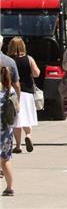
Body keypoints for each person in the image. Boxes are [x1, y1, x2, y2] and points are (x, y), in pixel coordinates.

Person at [6, 38, 38, 153]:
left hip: (14, 91)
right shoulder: (28, 59)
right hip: (28, 91)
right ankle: (28, 135)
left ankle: (18, 145)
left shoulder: (9, 60)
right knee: (27, 117)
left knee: (17, 121)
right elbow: (36, 73)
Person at [0, 66, 16, 196]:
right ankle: (10, 187)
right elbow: (18, 108)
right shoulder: (9, 90)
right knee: (5, 160)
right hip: (7, 131)